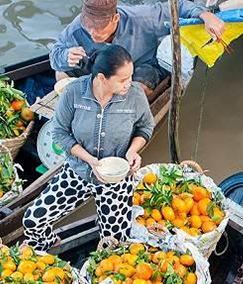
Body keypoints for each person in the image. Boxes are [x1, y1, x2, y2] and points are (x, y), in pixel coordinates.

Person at [23, 45, 152, 251]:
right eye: (122, 79)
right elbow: (59, 132)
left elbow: (145, 126)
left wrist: (132, 151)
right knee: (33, 221)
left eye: (130, 77)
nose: (129, 83)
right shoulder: (74, 92)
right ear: (102, 78)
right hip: (78, 172)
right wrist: (90, 160)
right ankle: (48, 247)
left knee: (114, 243)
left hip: (116, 178)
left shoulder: (135, 95)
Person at [50, 0, 226, 95]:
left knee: (137, 92)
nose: (93, 33)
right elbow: (55, 54)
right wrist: (65, 56)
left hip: (139, 65)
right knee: (61, 73)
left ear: (115, 18)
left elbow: (179, 6)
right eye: (88, 26)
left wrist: (206, 15)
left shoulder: (142, 18)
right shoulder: (77, 27)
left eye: (100, 27)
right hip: (100, 66)